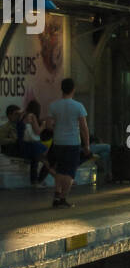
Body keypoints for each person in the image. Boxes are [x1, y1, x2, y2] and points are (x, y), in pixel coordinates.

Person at [47, 77, 89, 209]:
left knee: (60, 169)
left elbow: (48, 125)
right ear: (73, 89)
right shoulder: (78, 106)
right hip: (72, 143)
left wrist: (59, 129)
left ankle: (56, 196)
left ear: (62, 89)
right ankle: (63, 198)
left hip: (58, 142)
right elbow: (84, 128)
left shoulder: (54, 105)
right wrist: (86, 145)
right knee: (70, 173)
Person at [17, 98, 49, 185]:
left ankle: (36, 181)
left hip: (24, 144)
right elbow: (37, 131)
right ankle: (39, 180)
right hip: (33, 144)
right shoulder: (32, 116)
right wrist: (43, 125)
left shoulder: (22, 115)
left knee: (37, 160)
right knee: (49, 158)